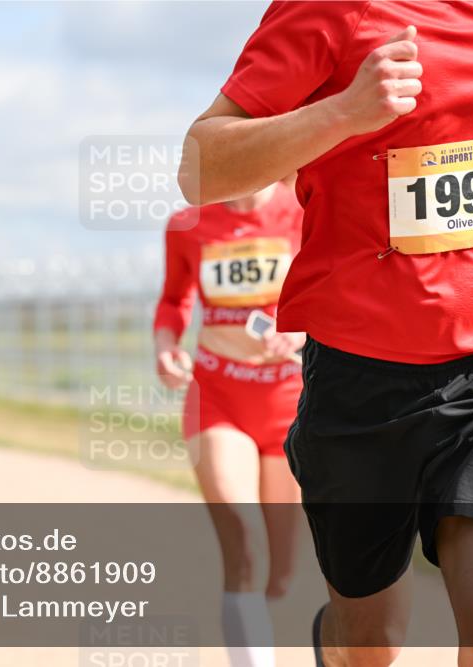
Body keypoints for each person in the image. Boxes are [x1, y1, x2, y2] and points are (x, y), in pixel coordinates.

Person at [178, 2, 473, 666]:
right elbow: (199, 165)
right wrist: (344, 112)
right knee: (371, 642)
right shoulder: (335, 8)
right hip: (360, 375)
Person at [153, 180, 305, 667]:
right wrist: (165, 347)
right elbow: (174, 299)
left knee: (280, 571)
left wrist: (301, 330)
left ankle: (265, 609)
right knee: (243, 543)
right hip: (216, 395)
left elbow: (339, 287)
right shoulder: (187, 223)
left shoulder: (307, 207)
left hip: (289, 403)